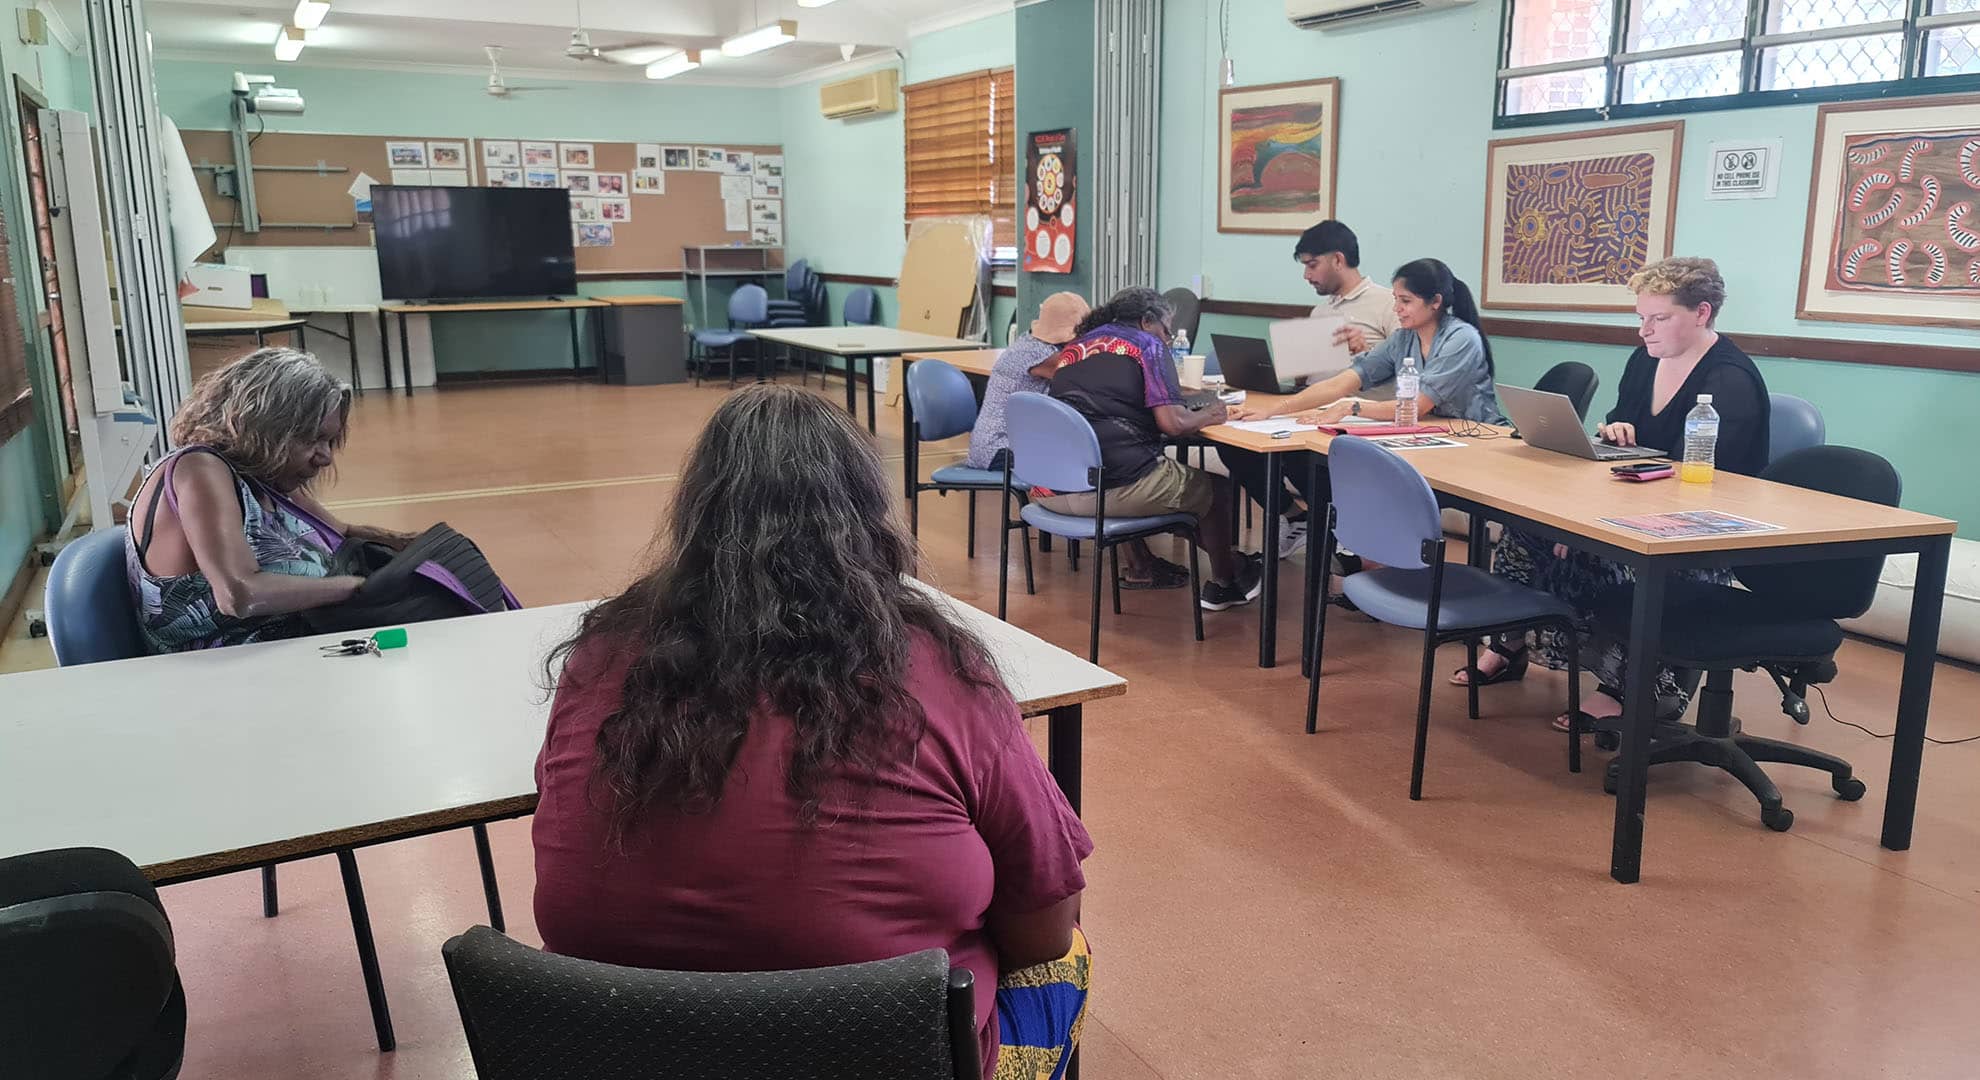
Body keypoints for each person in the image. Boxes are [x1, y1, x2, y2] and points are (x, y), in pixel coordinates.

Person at [533, 385, 1092, 1080]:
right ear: (868, 517)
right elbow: (1044, 931)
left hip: (626, 1055)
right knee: (1072, 956)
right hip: (889, 1058)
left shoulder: (601, 659)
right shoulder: (940, 669)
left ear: (697, 515)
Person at [1456, 257, 1770, 729]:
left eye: (1659, 318)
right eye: (1641, 317)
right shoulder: (1645, 360)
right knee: (1528, 533)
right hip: (1635, 503)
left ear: (1702, 313)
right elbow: (1632, 434)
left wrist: (1589, 523)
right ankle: (1509, 643)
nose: (1645, 330)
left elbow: (1700, 481)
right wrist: (1615, 432)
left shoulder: (1730, 381)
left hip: (1698, 533)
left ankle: (1634, 688)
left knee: (1610, 558)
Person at [126, 348, 416, 653]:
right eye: (312, 440)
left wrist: (412, 545)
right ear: (266, 428)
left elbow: (340, 533)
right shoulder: (200, 470)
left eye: (329, 441)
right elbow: (239, 594)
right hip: (225, 670)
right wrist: (360, 588)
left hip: (295, 649)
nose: (326, 457)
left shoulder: (262, 474)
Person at [1223, 258, 1501, 562]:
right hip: (1428, 436)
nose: (1397, 309)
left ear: (1435, 302)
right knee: (1318, 461)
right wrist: (1275, 409)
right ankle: (1350, 551)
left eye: (1406, 301)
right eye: (1396, 300)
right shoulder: (1404, 339)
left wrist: (1352, 406)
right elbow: (1342, 382)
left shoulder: (1461, 338)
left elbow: (1416, 406)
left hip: (1476, 442)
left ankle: (1371, 560)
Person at [1036, 287, 1262, 610]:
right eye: (1167, 331)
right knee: (1217, 491)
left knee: (1147, 471)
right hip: (1106, 491)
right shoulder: (1147, 346)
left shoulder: (1074, 348)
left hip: (1051, 489)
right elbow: (1172, 424)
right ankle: (1228, 582)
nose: (1167, 340)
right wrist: (1212, 414)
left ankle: (1157, 564)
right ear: (1146, 322)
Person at [966, 291, 1089, 470]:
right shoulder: (1040, 354)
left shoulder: (1030, 342)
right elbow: (1084, 374)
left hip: (1001, 443)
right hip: (998, 448)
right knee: (1077, 462)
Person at [1295, 219, 1399, 359]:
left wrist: (1364, 352)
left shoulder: (1390, 304)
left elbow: (1406, 369)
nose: (1306, 275)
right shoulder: (1318, 313)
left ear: (1338, 260)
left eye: (1312, 265)